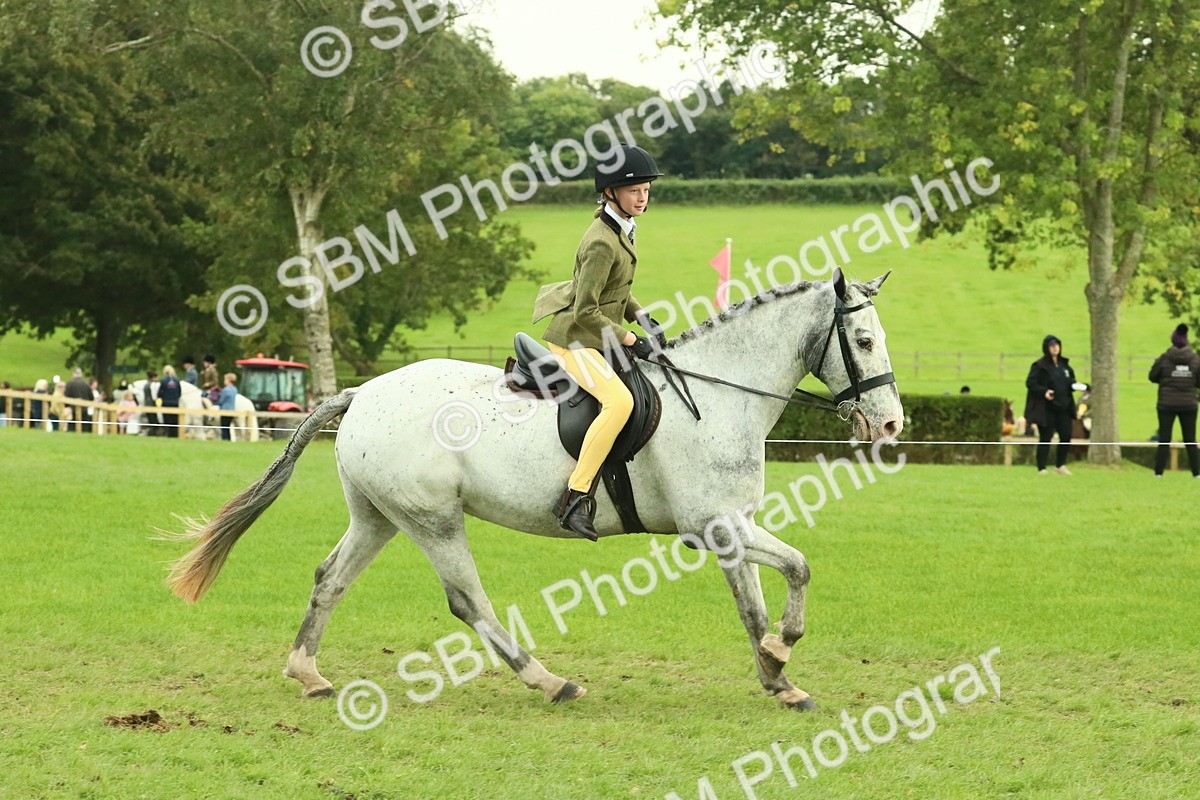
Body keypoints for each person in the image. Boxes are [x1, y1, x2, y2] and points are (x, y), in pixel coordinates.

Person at [531, 144, 664, 539]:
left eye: (646, 190)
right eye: (634, 191)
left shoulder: (620, 227)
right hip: (575, 340)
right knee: (619, 402)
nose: (642, 198)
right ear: (610, 193)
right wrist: (628, 337)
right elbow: (588, 310)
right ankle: (574, 495)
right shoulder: (601, 242)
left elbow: (615, 292)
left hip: (595, 333)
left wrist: (639, 314)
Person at [1149, 323, 1200, 478]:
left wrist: (1168, 379)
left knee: (1164, 438)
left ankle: (1159, 473)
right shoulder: (1195, 360)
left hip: (1166, 404)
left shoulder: (1164, 358)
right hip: (1189, 404)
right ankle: (1197, 473)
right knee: (1190, 439)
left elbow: (1152, 376)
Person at [1024, 334, 1078, 475]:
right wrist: (1044, 392)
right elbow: (1030, 383)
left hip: (1064, 407)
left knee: (1066, 435)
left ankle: (1060, 465)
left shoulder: (1065, 366)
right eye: (1051, 346)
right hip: (1047, 408)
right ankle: (1041, 467)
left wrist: (1079, 386)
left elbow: (1070, 382)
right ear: (1047, 348)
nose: (1055, 348)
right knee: (1046, 437)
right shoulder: (1039, 366)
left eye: (1057, 345)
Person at [64, 368, 92, 433]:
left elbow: (66, 397)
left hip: (72, 409)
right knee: (84, 428)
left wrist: (67, 406)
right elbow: (91, 397)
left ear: (73, 374)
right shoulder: (86, 384)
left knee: (72, 428)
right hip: (84, 409)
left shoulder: (69, 383)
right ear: (81, 374)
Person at [159, 365, 182, 438]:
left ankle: (168, 434)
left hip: (166, 403)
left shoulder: (164, 381)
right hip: (175, 403)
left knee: (167, 420)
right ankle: (175, 435)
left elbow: (160, 393)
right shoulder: (177, 380)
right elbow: (179, 393)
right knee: (175, 420)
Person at [218, 372, 239, 441]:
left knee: (224, 428)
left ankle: (225, 440)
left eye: (225, 379)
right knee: (228, 427)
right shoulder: (234, 389)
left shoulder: (226, 390)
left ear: (228, 380)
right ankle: (228, 440)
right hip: (232, 410)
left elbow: (221, 401)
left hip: (225, 410)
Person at [143, 370, 161, 436]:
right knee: (154, 420)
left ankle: (152, 432)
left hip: (146, 404)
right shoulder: (153, 385)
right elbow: (154, 396)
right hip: (152, 404)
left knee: (150, 420)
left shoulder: (146, 384)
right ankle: (154, 433)